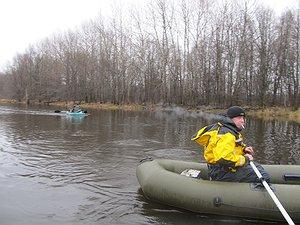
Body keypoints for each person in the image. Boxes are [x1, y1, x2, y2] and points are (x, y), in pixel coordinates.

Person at [191, 106, 270, 183]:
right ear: (230, 119)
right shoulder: (226, 134)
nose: (242, 121)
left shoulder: (231, 131)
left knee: (258, 167)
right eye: (239, 118)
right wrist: (245, 159)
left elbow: (232, 148)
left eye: (243, 118)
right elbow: (223, 159)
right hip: (222, 172)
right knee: (263, 176)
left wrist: (243, 149)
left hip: (226, 169)